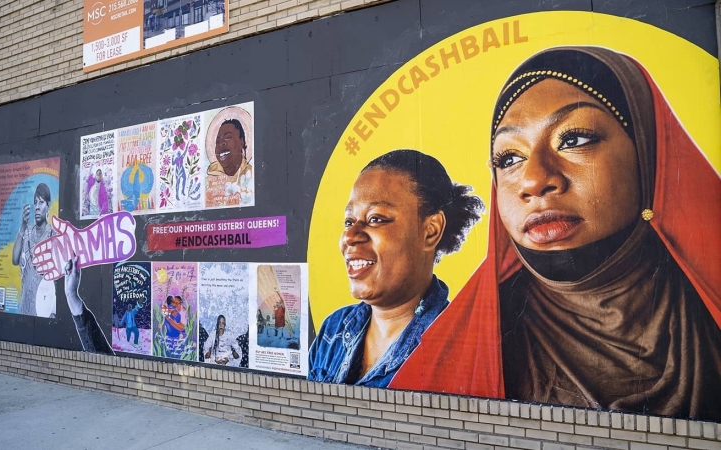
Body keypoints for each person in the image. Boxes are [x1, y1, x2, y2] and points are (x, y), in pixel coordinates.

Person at [390, 47, 721, 422]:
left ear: (647, 153)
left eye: (575, 139)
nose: (533, 181)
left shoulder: (709, 310)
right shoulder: (456, 354)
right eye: (509, 159)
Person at [308, 149, 484, 387]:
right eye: (349, 222)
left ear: (430, 230)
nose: (350, 236)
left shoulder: (458, 351)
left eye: (376, 219)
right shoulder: (333, 330)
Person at [12, 183, 55, 316]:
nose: (37, 207)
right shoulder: (26, 232)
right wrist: (23, 225)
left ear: (48, 206)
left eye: (41, 202)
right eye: (35, 202)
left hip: (44, 310)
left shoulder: (53, 235)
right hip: (25, 309)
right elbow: (14, 259)